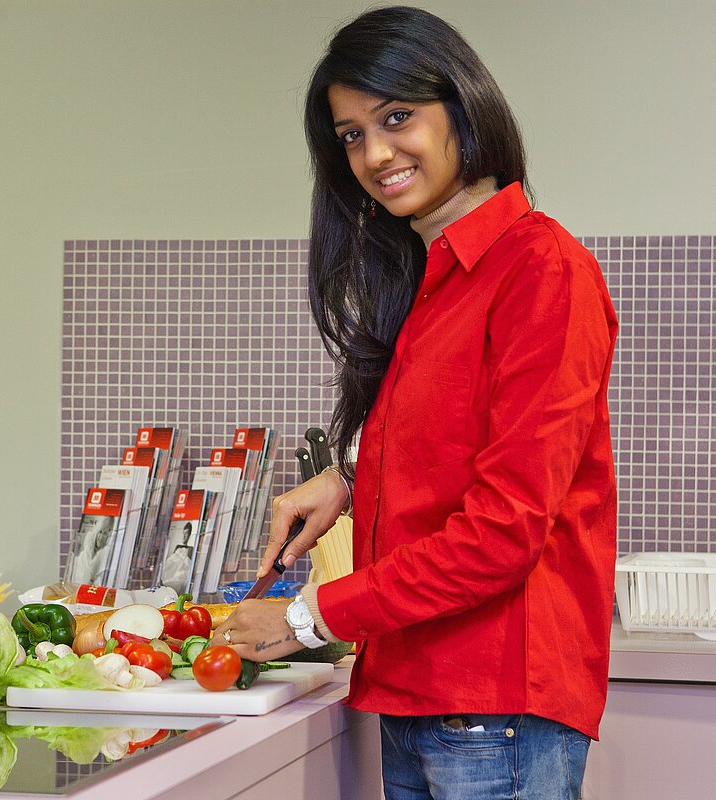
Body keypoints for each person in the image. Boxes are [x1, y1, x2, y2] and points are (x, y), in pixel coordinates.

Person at [209, 7, 618, 800]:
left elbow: (503, 532)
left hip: (493, 709)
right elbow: (457, 449)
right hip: (424, 695)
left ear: (462, 109)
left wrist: (304, 619)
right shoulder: (435, 279)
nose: (375, 153)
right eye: (352, 134)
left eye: (397, 118)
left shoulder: (541, 270)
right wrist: (352, 482)